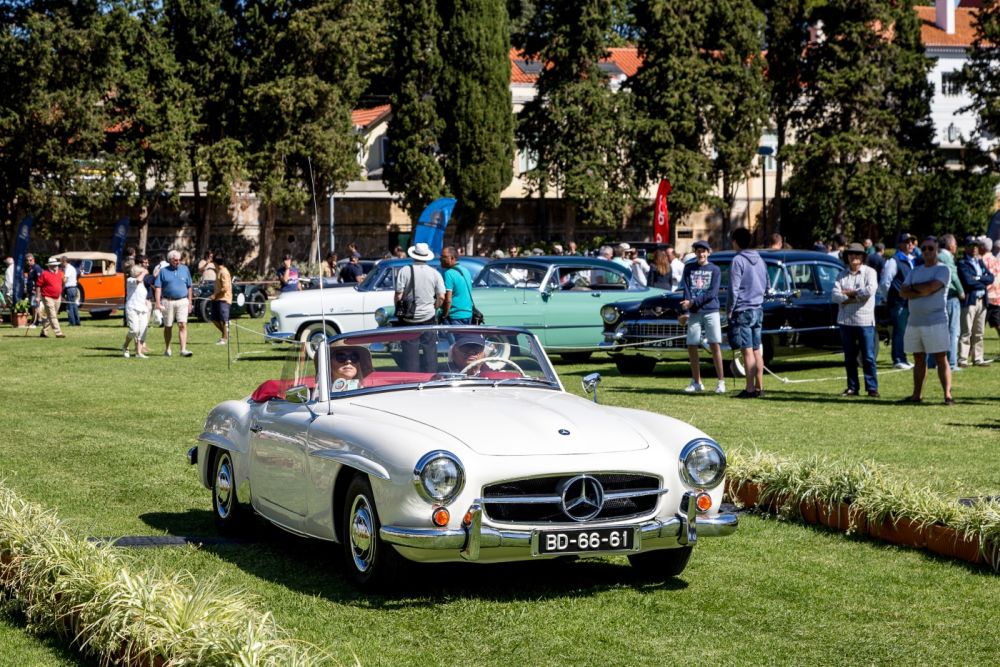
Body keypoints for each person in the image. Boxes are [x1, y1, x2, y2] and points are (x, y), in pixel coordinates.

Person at [899, 237, 954, 405]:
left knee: (940, 358)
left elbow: (931, 287)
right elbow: (903, 292)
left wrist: (916, 290)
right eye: (924, 249)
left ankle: (947, 395)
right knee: (918, 359)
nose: (927, 251)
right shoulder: (915, 271)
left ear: (937, 249)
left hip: (936, 321)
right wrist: (922, 290)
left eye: (930, 248)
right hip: (915, 321)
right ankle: (917, 395)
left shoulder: (943, 269)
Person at [832, 243, 879, 397]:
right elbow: (835, 296)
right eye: (851, 254)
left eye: (857, 255)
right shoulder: (841, 274)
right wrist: (855, 297)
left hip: (865, 321)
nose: (854, 257)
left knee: (868, 357)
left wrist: (849, 295)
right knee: (849, 357)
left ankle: (872, 388)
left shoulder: (870, 272)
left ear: (863, 257)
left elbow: (870, 291)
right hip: (846, 321)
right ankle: (853, 387)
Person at [680, 240, 725, 394]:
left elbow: (712, 293)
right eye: (698, 251)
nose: (701, 254)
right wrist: (686, 309)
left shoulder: (715, 269)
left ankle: (721, 381)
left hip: (711, 310)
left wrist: (692, 302)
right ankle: (696, 381)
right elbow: (686, 290)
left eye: (703, 251)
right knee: (691, 344)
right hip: (694, 312)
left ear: (708, 252)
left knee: (714, 344)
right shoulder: (689, 268)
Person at [728, 228, 768, 398]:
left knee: (747, 351)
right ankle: (760, 386)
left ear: (736, 241)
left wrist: (730, 309)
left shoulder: (738, 260)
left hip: (743, 310)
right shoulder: (760, 259)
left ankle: (750, 388)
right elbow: (767, 285)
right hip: (758, 309)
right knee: (757, 350)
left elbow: (733, 289)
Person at [394, 243, 445, 372]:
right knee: (430, 350)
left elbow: (398, 295)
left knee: (410, 351)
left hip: (409, 318)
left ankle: (412, 380)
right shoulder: (434, 273)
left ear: (413, 255)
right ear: (427, 257)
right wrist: (435, 307)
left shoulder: (404, 270)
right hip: (428, 316)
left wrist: (400, 309)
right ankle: (431, 376)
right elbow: (442, 297)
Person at [879, 232, 917, 369]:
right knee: (899, 331)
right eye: (907, 242)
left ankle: (903, 357)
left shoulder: (912, 259)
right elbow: (885, 282)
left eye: (912, 241)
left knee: (905, 332)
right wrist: (890, 298)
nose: (910, 244)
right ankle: (898, 358)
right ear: (900, 244)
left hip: (910, 302)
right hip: (899, 302)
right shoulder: (894, 260)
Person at [957, 235, 994, 367]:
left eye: (976, 246)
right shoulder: (962, 263)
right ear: (966, 247)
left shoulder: (979, 262)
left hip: (982, 300)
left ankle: (978, 357)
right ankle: (962, 358)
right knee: (966, 331)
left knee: (979, 332)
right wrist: (981, 280)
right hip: (970, 300)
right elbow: (968, 282)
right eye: (971, 246)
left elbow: (990, 278)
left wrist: (978, 278)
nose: (974, 248)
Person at [929, 234, 964, 371]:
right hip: (950, 297)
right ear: (949, 244)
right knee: (952, 331)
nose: (956, 246)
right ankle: (952, 363)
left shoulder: (936, 256)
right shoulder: (946, 257)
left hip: (937, 297)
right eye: (955, 243)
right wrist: (961, 291)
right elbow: (953, 275)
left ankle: (931, 362)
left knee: (936, 331)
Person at [154, 249, 194, 357]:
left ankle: (183, 350)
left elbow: (189, 286)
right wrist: (157, 303)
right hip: (168, 301)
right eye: (176, 260)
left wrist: (190, 302)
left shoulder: (185, 269)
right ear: (170, 260)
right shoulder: (163, 271)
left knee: (182, 325)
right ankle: (167, 348)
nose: (178, 262)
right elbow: (158, 288)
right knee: (168, 326)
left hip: (182, 301)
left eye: (180, 259)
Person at [440, 246, 475, 324]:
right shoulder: (465, 270)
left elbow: (448, 300)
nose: (441, 259)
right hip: (468, 314)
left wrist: (444, 315)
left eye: (444, 257)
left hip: (455, 316)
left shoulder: (448, 273)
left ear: (452, 258)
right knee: (465, 336)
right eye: (441, 256)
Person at [122, 264, 149, 358]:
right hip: (132, 308)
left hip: (142, 309)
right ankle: (125, 346)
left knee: (143, 331)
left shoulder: (142, 283)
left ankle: (139, 352)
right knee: (134, 330)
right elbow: (138, 280)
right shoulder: (130, 280)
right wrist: (144, 272)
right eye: (140, 272)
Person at [980, 236, 1000, 354]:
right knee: (997, 324)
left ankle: (972, 351)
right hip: (997, 296)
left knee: (978, 327)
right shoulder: (995, 259)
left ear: (983, 247)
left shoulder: (982, 260)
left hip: (986, 297)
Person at [36, 257, 65, 338]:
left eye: (56, 265)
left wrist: (61, 295)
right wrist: (38, 297)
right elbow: (38, 285)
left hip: (57, 297)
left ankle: (44, 332)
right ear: (50, 266)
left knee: (52, 315)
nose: (55, 266)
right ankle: (58, 333)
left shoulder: (60, 273)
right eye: (53, 265)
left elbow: (61, 284)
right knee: (52, 315)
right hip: (47, 297)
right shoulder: (44, 273)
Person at [209, 255, 232, 345]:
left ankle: (225, 339)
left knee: (223, 320)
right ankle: (226, 334)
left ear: (215, 263)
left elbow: (225, 288)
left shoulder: (224, 272)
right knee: (214, 319)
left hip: (224, 299)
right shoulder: (219, 271)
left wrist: (214, 295)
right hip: (217, 299)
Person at [60, 255, 80, 326]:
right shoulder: (71, 268)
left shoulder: (68, 269)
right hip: (74, 288)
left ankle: (72, 322)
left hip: (70, 289)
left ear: (64, 262)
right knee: (74, 305)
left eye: (61, 262)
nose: (61, 264)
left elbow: (65, 280)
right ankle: (77, 321)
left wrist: (60, 281)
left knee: (69, 306)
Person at [24, 253, 43, 326]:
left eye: (30, 260)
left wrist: (37, 291)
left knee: (35, 306)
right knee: (33, 306)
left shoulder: (36, 267)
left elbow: (39, 280)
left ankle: (37, 321)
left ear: (33, 260)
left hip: (35, 290)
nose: (29, 262)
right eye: (27, 260)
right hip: (30, 290)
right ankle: (37, 320)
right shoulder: (30, 268)